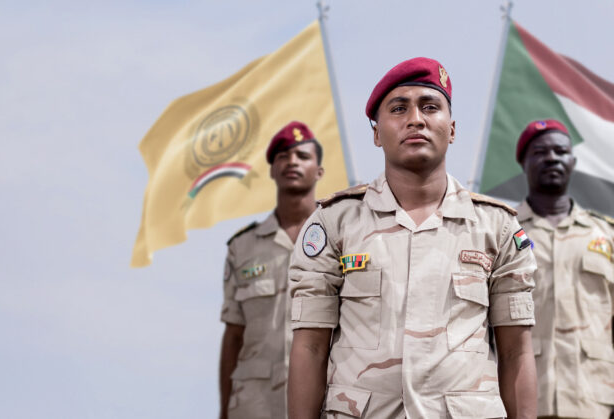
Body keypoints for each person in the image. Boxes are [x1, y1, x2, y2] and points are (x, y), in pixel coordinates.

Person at [287, 57, 538, 418]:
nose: (416, 119)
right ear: (377, 134)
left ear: (452, 129)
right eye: (399, 108)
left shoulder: (497, 228)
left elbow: (516, 352)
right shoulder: (335, 223)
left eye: (430, 107)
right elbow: (310, 347)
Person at [219, 121, 325, 419]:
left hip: (324, 398)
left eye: (302, 156)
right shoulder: (243, 247)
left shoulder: (340, 234)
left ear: (319, 171)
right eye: (283, 157)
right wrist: (224, 409)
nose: (292, 162)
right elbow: (233, 335)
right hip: (255, 404)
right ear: (272, 170)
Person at [514, 119, 614, 419]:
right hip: (521, 399)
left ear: (573, 161)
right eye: (540, 152)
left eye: (560, 152)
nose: (551, 158)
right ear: (523, 163)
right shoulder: (501, 231)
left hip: (595, 398)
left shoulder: (606, 235)